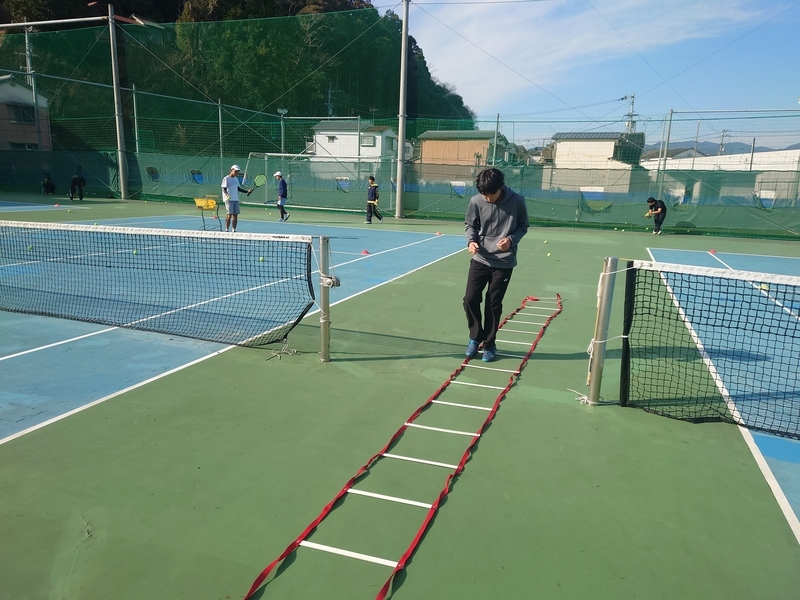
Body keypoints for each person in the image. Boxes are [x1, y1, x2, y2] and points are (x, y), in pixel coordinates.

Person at [463, 168, 528, 363]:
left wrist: (511, 240)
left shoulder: (517, 201)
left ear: (501, 187)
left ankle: (489, 344)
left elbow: (523, 226)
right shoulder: (476, 201)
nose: (488, 198)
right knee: (470, 299)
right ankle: (475, 337)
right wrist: (471, 241)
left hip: (504, 262)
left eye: (491, 194)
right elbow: (470, 225)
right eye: (485, 194)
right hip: (480, 259)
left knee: (493, 304)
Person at [221, 164, 250, 233]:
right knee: (229, 215)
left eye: (237, 172)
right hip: (229, 200)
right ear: (231, 170)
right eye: (235, 171)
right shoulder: (226, 178)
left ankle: (234, 230)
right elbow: (224, 188)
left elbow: (238, 188)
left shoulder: (236, 179)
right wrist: (227, 195)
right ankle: (227, 230)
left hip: (235, 199)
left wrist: (247, 191)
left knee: (235, 215)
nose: (236, 173)